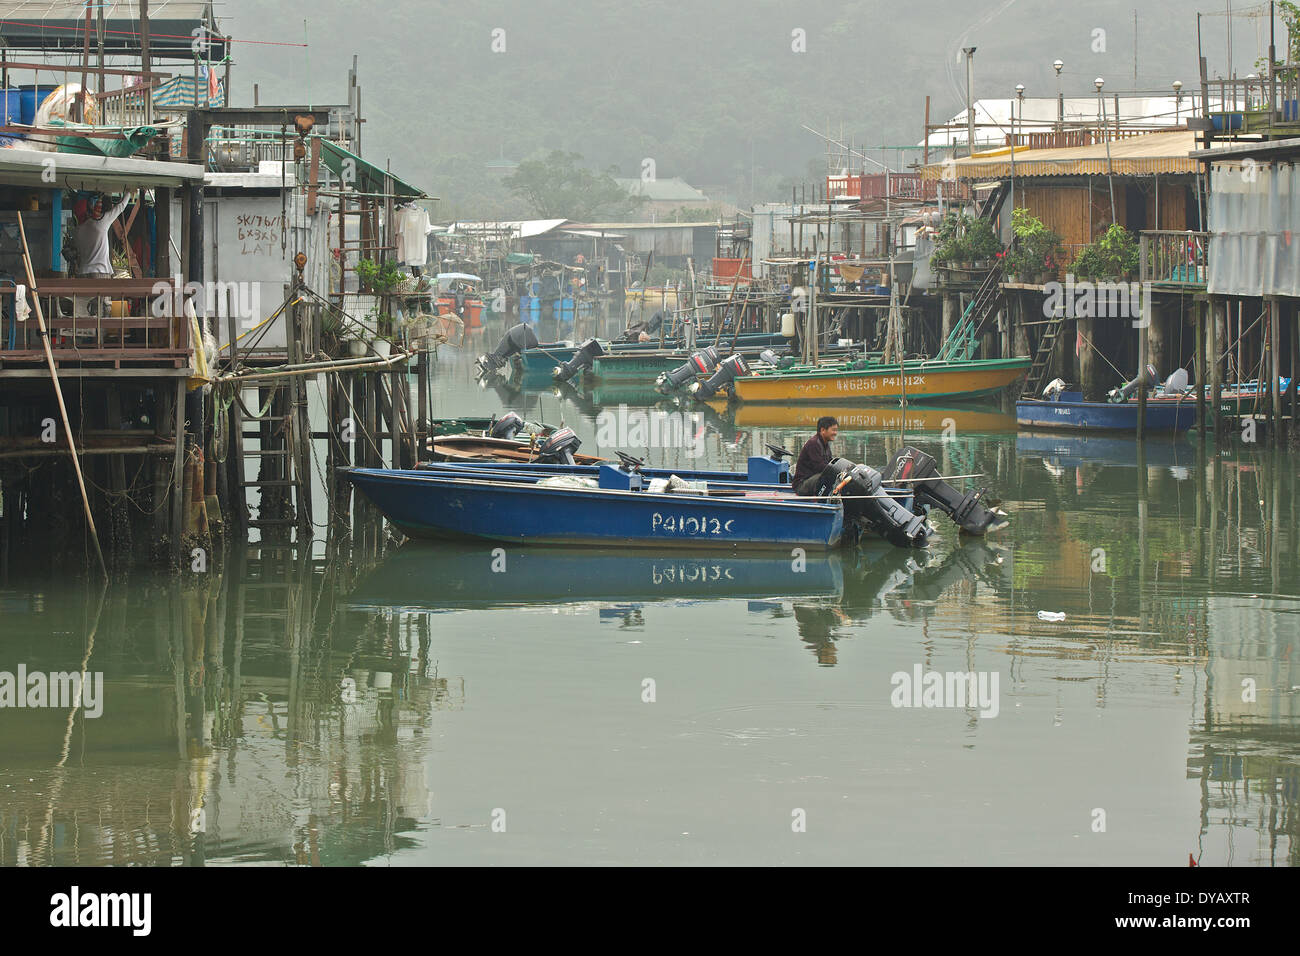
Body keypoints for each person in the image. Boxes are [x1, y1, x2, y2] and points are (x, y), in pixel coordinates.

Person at [75, 192, 132, 277]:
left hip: (83, 272)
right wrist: (129, 192)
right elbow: (121, 206)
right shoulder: (100, 222)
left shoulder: (78, 230)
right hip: (100, 271)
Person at [792, 416, 838, 496]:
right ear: (823, 430)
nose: (835, 433)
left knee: (833, 474)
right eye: (833, 430)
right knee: (827, 475)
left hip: (811, 481)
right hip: (801, 485)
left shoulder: (825, 444)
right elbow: (819, 467)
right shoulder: (813, 443)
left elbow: (830, 463)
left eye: (836, 430)